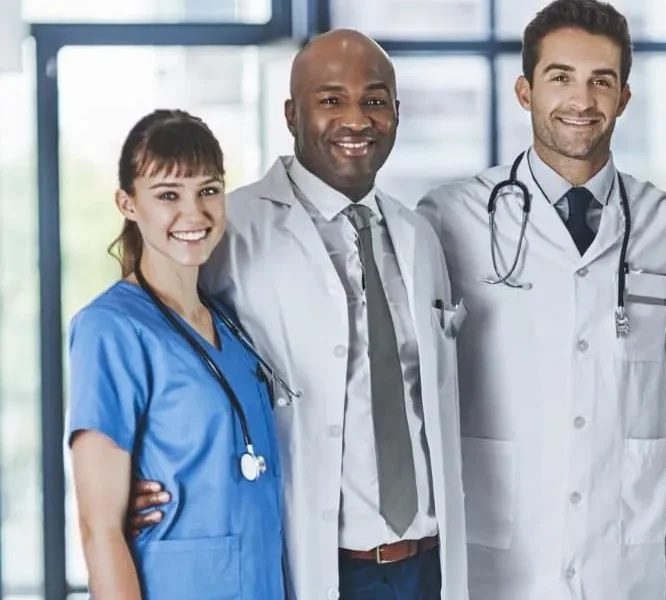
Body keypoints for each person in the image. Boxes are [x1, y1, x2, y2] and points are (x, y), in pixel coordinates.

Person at [126, 30, 468, 600]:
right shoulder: (228, 226)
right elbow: (146, 345)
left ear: (396, 114)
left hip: (426, 564)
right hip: (311, 560)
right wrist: (128, 469)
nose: (356, 119)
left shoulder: (417, 235)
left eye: (374, 100)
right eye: (331, 100)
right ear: (291, 113)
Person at [415, 0, 666, 597]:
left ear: (624, 97)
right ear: (525, 91)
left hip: (621, 553)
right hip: (499, 551)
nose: (582, 100)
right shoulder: (451, 218)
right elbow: (416, 366)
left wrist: (630, 405)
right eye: (561, 78)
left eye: (602, 80)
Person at [68, 109, 286, 599]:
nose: (194, 213)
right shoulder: (111, 328)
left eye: (208, 190)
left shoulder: (231, 324)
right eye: (168, 195)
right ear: (127, 203)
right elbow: (97, 527)